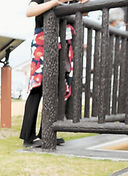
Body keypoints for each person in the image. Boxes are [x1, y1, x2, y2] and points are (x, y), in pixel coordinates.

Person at [20, 0, 88, 147]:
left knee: (57, 90)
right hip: (42, 43)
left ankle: (47, 133)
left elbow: (84, 11)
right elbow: (29, 11)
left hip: (64, 44)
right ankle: (28, 136)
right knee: (37, 87)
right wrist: (56, 2)